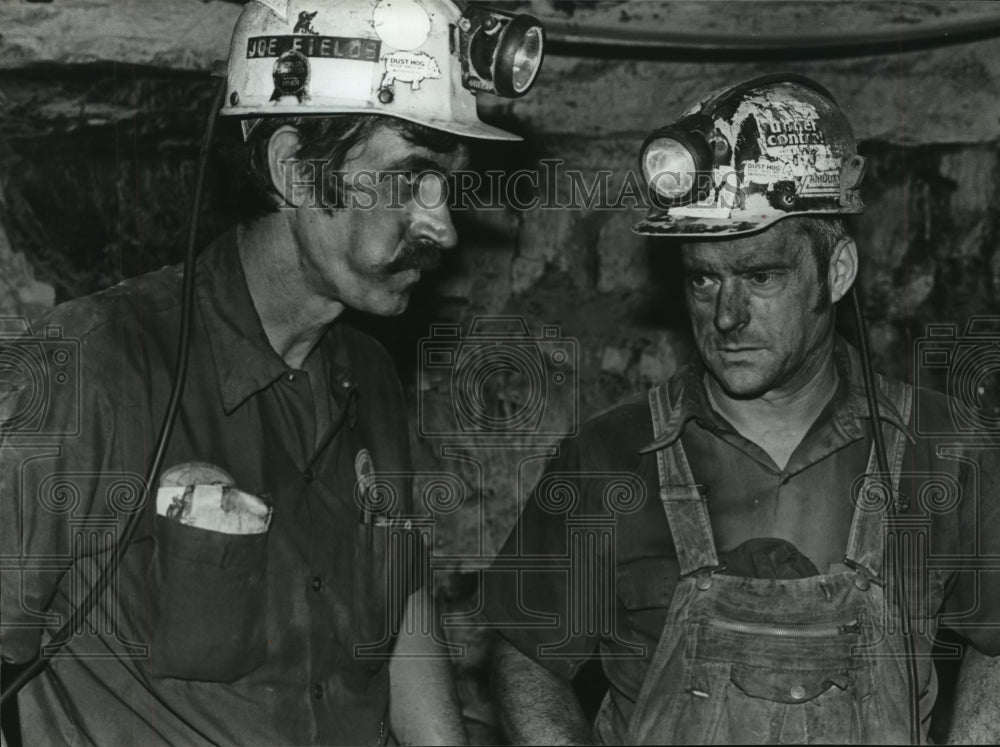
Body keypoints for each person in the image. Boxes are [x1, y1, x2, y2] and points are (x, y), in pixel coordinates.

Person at [0, 0, 544, 744]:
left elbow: (402, 613)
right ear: (293, 167)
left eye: (450, 185)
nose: (441, 226)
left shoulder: (372, 379)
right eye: (411, 177)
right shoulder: (92, 363)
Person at [485, 74, 1000, 744]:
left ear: (837, 270)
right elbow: (525, 654)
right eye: (703, 278)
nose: (726, 315)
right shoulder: (608, 457)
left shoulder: (942, 448)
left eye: (761, 277)